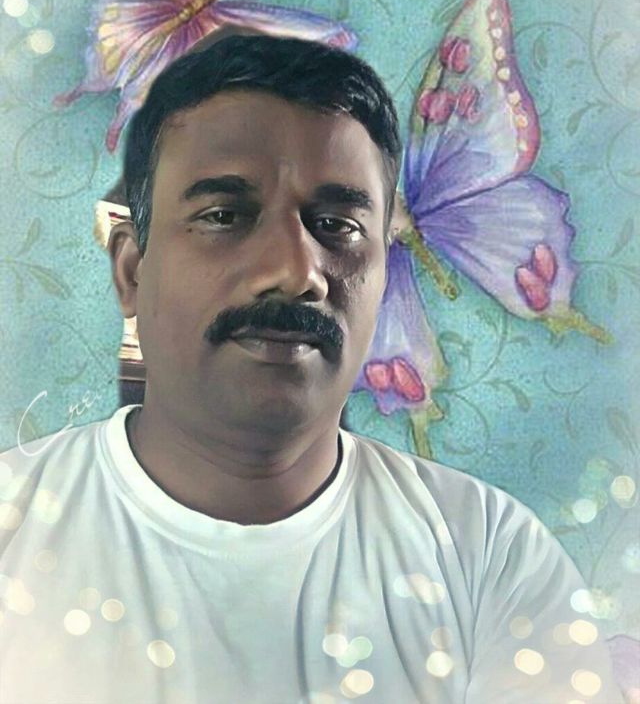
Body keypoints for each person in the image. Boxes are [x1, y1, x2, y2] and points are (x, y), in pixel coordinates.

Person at [0, 36, 623, 704]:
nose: (295, 272)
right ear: (130, 269)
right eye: (224, 217)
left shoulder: (492, 560)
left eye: (336, 225)